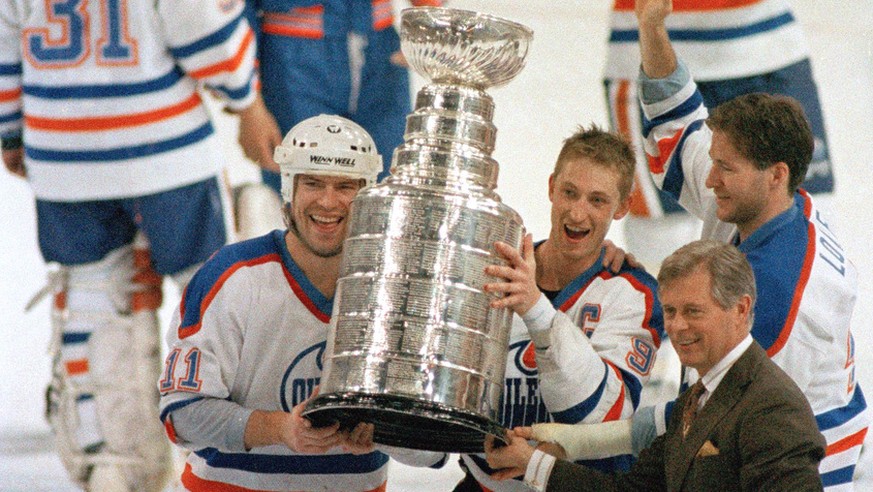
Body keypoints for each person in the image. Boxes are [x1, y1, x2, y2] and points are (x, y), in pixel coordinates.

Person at [521, 1, 869, 489]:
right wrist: (651, 27)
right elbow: (678, 122)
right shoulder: (765, 199)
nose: (710, 179)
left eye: (724, 168)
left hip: (805, 463)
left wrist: (574, 446)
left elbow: (708, 413)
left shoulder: (779, 297)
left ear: (776, 176)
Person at [0, 1, 266, 489]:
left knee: (91, 299)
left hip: (63, 156)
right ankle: (231, 453)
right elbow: (200, 26)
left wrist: (11, 132)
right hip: (167, 150)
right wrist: (246, 98)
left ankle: (114, 462)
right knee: (212, 294)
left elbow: (4, 42)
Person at [158, 114, 445, 491]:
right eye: (313, 183)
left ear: (369, 195)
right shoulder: (231, 277)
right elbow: (181, 417)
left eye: (345, 186)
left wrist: (382, 431)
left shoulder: (402, 285)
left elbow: (436, 450)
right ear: (289, 188)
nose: (328, 202)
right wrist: (279, 428)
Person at [485, 240, 827, 492]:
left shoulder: (773, 406)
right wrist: (533, 464)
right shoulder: (695, 401)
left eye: (693, 311)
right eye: (672, 312)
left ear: (740, 310)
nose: (677, 327)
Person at [451, 125, 664, 491]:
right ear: (551, 187)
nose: (578, 213)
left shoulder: (633, 292)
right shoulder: (492, 270)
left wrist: (536, 310)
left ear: (623, 206)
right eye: (570, 193)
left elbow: (603, 416)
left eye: (597, 200)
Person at [604, 0, 836, 270]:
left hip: (767, 43)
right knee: (662, 244)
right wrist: (651, 26)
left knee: (805, 224)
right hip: (646, 46)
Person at [239, 0, 444, 192]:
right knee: (304, 199)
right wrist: (249, 106)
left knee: (390, 195)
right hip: (293, 55)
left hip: (381, 50)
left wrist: (430, 15)